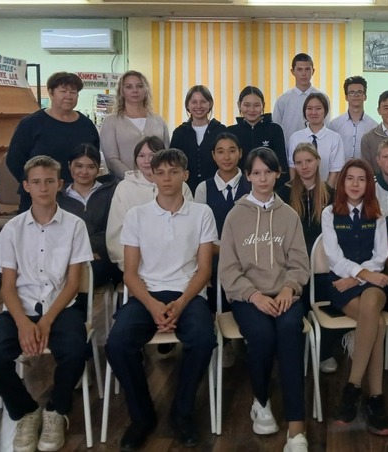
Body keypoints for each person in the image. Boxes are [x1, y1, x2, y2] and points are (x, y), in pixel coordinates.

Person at [0, 156, 93, 452]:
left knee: (76, 351)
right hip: (19, 309)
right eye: (37, 182)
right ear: (26, 186)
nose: (43, 187)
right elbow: (7, 287)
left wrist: (45, 321)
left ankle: (56, 409)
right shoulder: (13, 229)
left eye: (50, 181)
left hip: (60, 308)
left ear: (60, 184)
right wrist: (23, 324)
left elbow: (73, 284)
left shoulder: (75, 226)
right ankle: (26, 411)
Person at [106, 148, 218, 450]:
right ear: (152, 177)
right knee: (117, 344)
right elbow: (130, 274)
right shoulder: (137, 215)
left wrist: (180, 304)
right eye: (160, 172)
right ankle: (142, 417)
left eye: (173, 172)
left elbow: (204, 270)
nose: (167, 178)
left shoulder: (202, 213)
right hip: (147, 294)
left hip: (188, 293)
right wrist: (153, 305)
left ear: (185, 175)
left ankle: (182, 413)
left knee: (203, 339)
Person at [218, 147, 311, 452]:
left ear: (278, 174)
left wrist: (289, 289)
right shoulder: (235, 216)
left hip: (285, 295)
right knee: (260, 334)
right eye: (256, 172)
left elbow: (300, 262)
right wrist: (253, 295)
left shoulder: (289, 215)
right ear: (247, 176)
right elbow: (228, 269)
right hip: (248, 298)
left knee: (289, 332)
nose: (262, 178)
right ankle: (260, 401)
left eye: (268, 172)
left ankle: (296, 428)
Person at [321, 159, 388, 436]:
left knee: (372, 301)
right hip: (340, 284)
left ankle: (352, 387)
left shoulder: (377, 214)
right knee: (378, 324)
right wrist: (358, 275)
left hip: (372, 283)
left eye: (361, 179)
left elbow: (381, 257)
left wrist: (359, 277)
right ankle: (376, 398)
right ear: (342, 182)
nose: (355, 184)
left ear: (368, 184)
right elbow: (334, 258)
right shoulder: (330, 213)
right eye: (350, 178)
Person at [276, 142, 341, 374]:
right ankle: (298, 349)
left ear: (318, 162)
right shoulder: (283, 193)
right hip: (292, 265)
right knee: (295, 307)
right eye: (299, 162)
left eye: (309, 161)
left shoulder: (332, 194)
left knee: (332, 297)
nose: (304, 166)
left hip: (323, 266)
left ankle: (324, 351)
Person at [193, 132, 250, 368]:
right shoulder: (203, 188)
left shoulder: (252, 184)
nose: (226, 156)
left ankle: (247, 332)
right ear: (213, 156)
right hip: (214, 253)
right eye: (220, 151)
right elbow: (198, 231)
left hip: (249, 254)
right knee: (212, 272)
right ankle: (223, 342)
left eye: (232, 150)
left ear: (240, 153)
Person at [7, 71, 99, 212]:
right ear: (51, 93)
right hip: (38, 197)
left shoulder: (86, 125)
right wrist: (35, 183)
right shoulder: (31, 123)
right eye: (63, 91)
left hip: (76, 197)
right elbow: (14, 160)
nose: (68, 96)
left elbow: (94, 159)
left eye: (73, 92)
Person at [105, 136, 193, 271]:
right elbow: (115, 232)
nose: (146, 161)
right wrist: (129, 265)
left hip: (177, 264)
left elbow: (189, 226)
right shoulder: (124, 187)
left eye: (152, 155)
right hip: (135, 265)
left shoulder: (181, 185)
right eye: (141, 156)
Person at [56, 144, 120, 308]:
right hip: (65, 258)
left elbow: (113, 230)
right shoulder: (59, 197)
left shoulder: (111, 193)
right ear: (69, 165)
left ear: (98, 169)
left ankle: (77, 317)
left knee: (81, 274)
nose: (84, 172)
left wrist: (88, 248)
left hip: (100, 258)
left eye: (91, 167)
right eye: (79, 166)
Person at [101, 70, 169, 180]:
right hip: (124, 183)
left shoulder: (158, 121)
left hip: (156, 183)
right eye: (129, 87)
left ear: (146, 90)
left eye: (139, 86)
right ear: (121, 91)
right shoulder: (111, 122)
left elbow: (166, 154)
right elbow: (112, 159)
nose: (135, 90)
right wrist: (134, 179)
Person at [226, 86, 288, 188]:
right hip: (238, 189)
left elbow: (282, 166)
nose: (252, 110)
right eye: (247, 105)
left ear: (263, 105)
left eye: (256, 105)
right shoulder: (230, 132)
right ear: (239, 105)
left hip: (270, 188)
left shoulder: (275, 129)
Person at [170, 85, 228, 192]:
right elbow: (172, 164)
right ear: (187, 105)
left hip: (217, 188)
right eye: (194, 102)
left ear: (210, 104)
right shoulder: (179, 133)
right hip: (185, 189)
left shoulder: (221, 131)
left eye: (203, 102)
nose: (199, 106)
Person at [273, 53, 330, 149]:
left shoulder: (323, 98)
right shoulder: (283, 100)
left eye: (307, 69)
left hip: (318, 150)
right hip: (290, 150)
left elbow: (326, 126)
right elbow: (276, 129)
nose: (304, 74)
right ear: (292, 71)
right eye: (299, 69)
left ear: (313, 71)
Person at [288, 93, 344, 186]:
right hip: (300, 190)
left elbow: (335, 172)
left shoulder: (335, 138)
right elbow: (293, 168)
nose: (313, 112)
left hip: (326, 190)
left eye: (318, 108)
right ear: (304, 111)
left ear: (325, 111)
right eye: (309, 108)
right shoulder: (295, 137)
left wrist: (326, 192)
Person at [327, 76, 377, 160]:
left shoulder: (374, 126)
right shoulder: (334, 125)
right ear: (346, 97)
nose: (356, 95)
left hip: (364, 167)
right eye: (352, 92)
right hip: (340, 168)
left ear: (365, 96)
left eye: (359, 92)